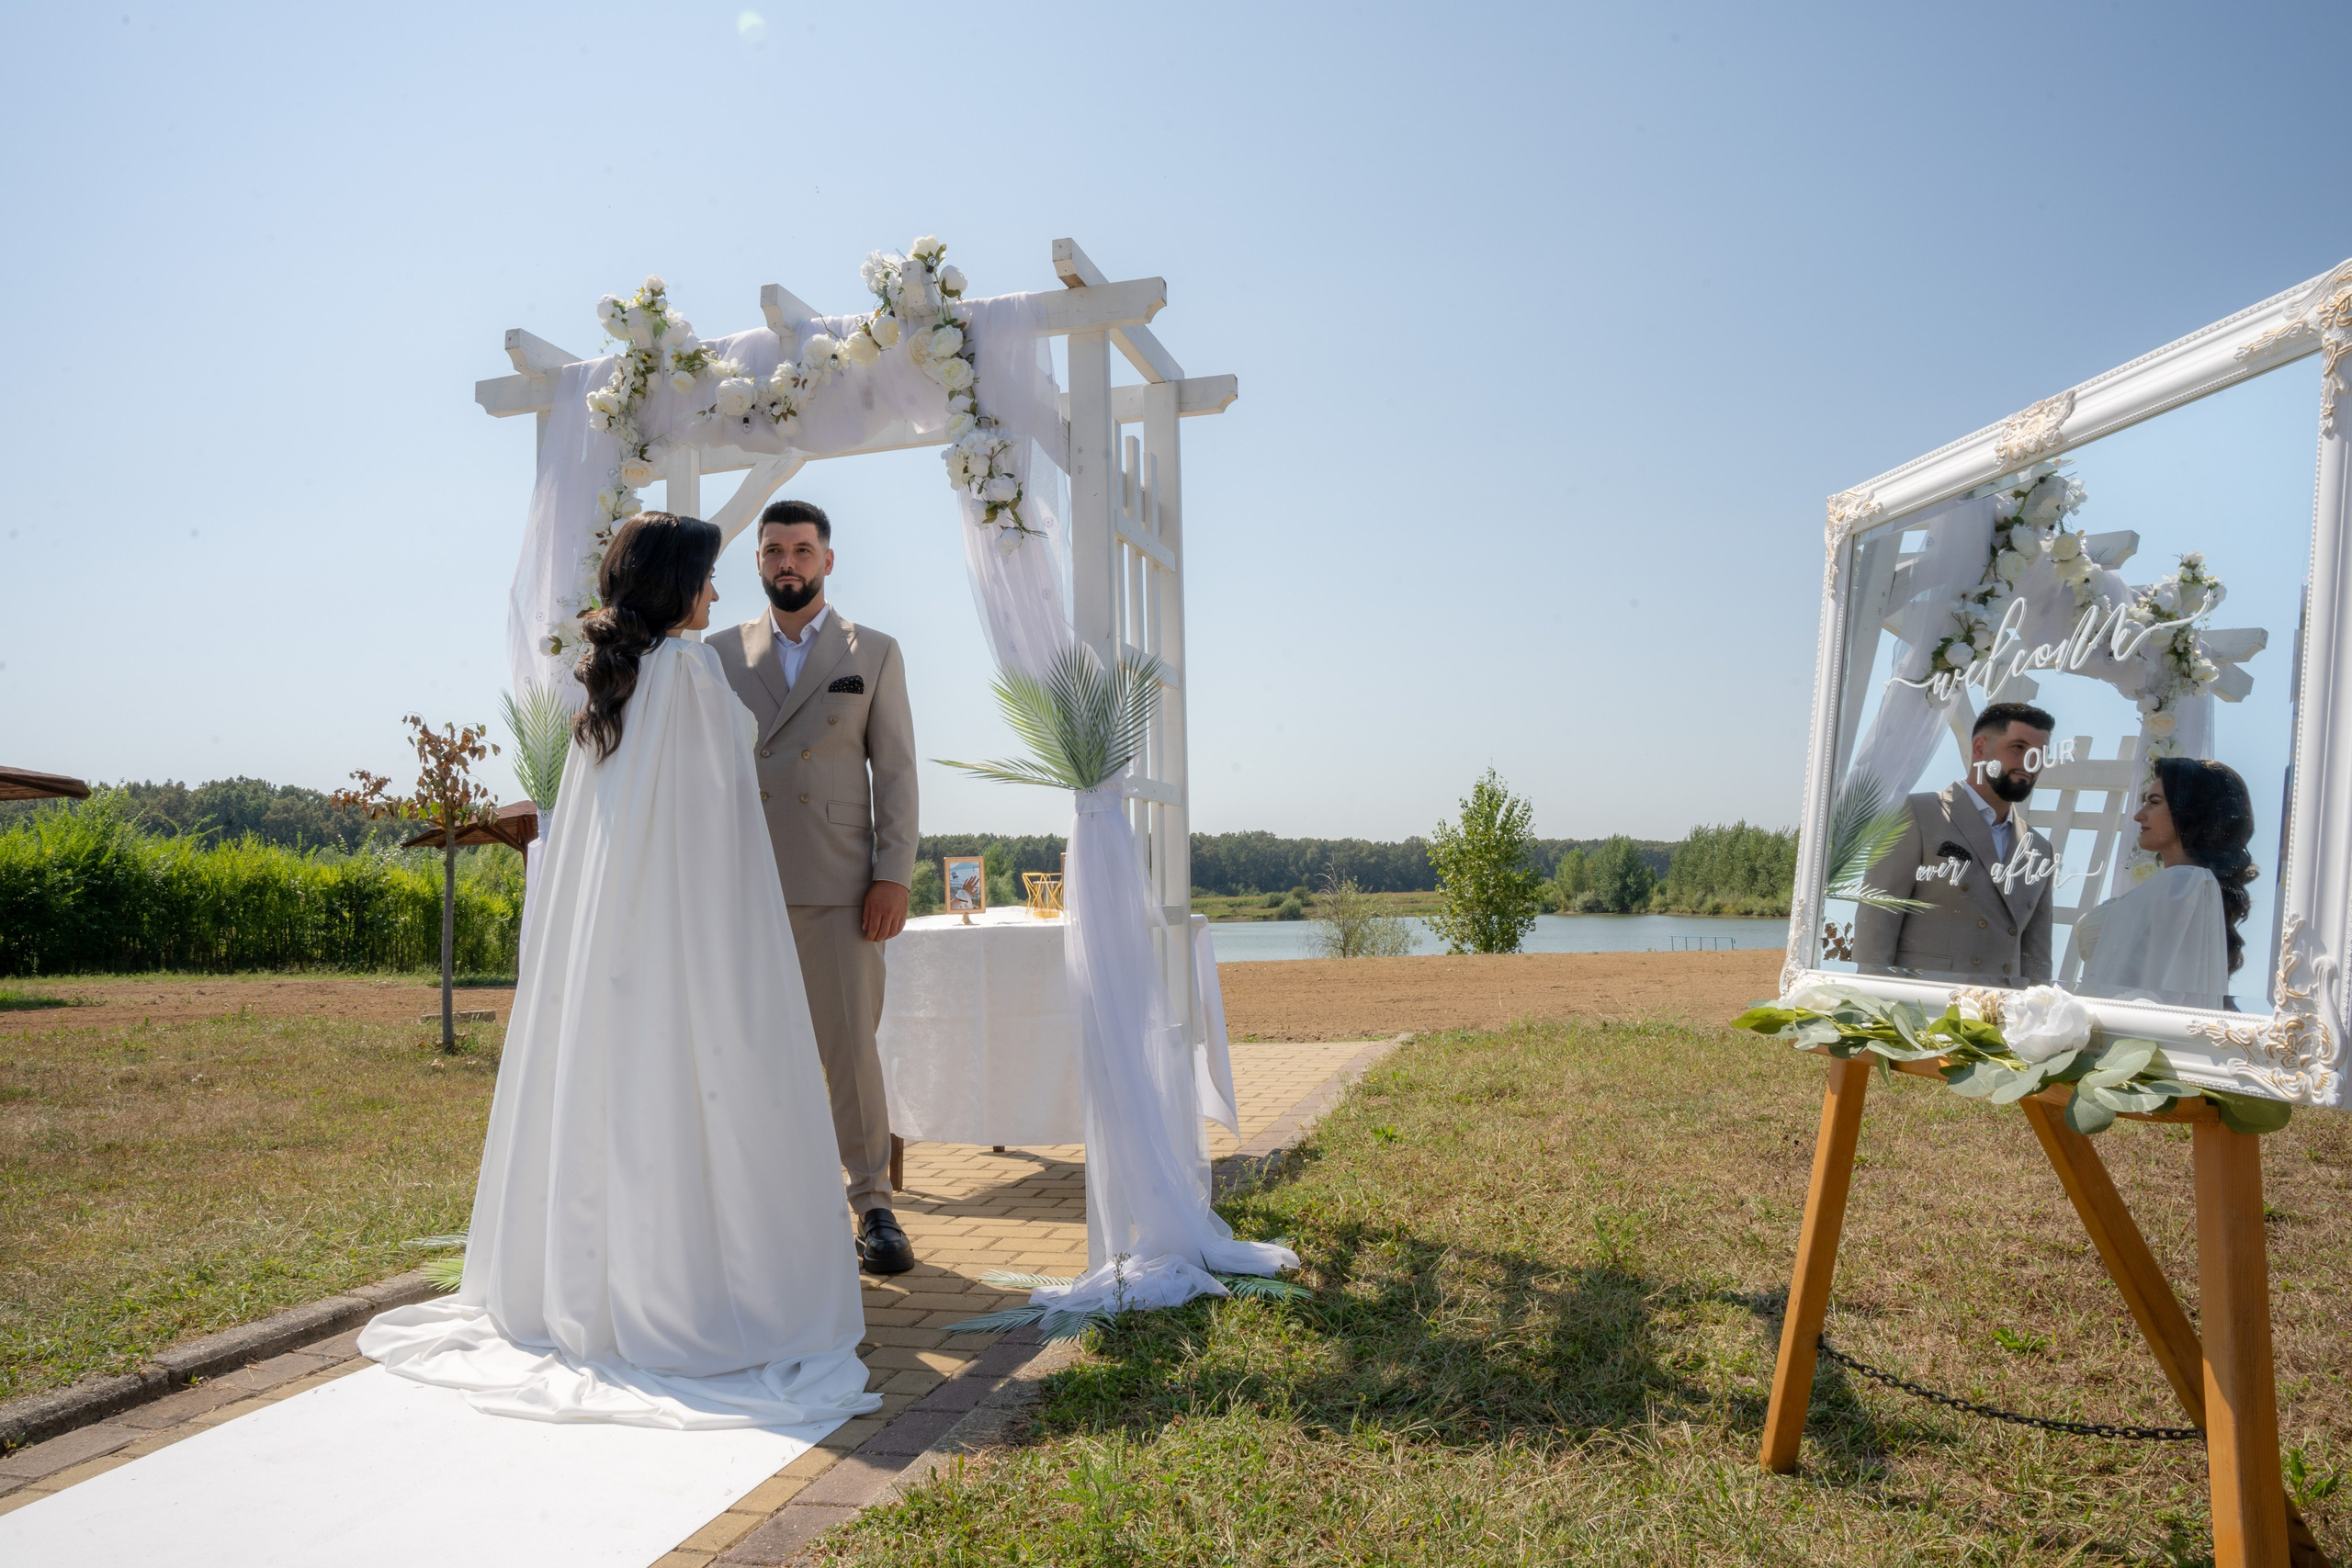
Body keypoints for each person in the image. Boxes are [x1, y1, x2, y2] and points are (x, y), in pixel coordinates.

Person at [359, 512, 881, 1430]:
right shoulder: (691, 681)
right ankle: (693, 1282)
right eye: (709, 579)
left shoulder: (614, 686)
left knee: (617, 1096)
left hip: (614, 945)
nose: (720, 594)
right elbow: (710, 839)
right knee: (704, 1096)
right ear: (680, 587)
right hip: (692, 938)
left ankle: (595, 1281)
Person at [709, 499, 920, 1276]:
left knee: (849, 1053)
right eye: (773, 552)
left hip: (839, 883)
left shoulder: (877, 651)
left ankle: (874, 1205)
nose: (787, 563)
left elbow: (895, 773)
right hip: (741, 883)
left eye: (802, 550)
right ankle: (766, 1206)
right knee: (749, 1049)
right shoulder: (718, 655)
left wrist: (892, 873)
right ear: (757, 563)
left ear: (828, 560)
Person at [1853, 700, 2058, 986]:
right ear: (1979, 748)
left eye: (2040, 755)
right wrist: (1871, 1007)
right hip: (1925, 1013)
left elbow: (2037, 957)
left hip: (2003, 1020)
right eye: (2018, 748)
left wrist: (2038, 1017)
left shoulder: (2040, 849)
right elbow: (1876, 921)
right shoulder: (1914, 813)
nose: (2030, 764)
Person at [2073, 756, 2257, 1005]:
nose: (2139, 815)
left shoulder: (2183, 885)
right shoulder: (2186, 885)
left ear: (2190, 810)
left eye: (2154, 802)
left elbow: (2163, 988)